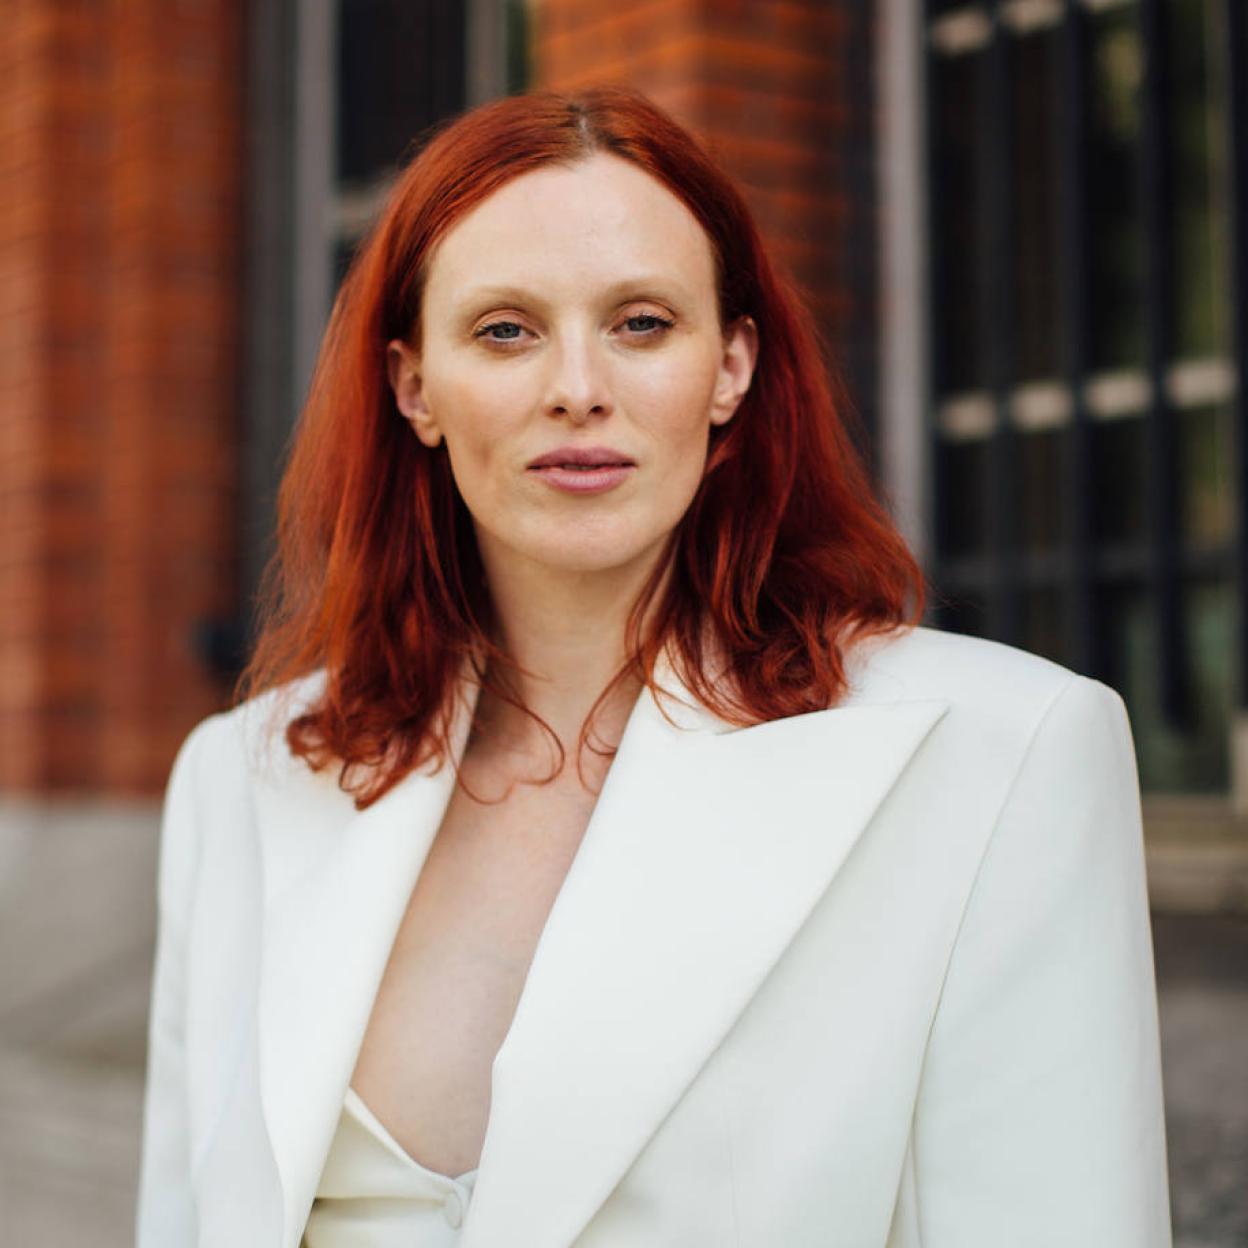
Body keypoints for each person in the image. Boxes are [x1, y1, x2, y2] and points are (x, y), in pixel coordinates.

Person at [135, 85, 1172, 1248]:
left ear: (730, 369)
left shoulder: (1008, 756)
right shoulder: (240, 778)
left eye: (640, 323)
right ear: (412, 386)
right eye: (505, 330)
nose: (578, 386)